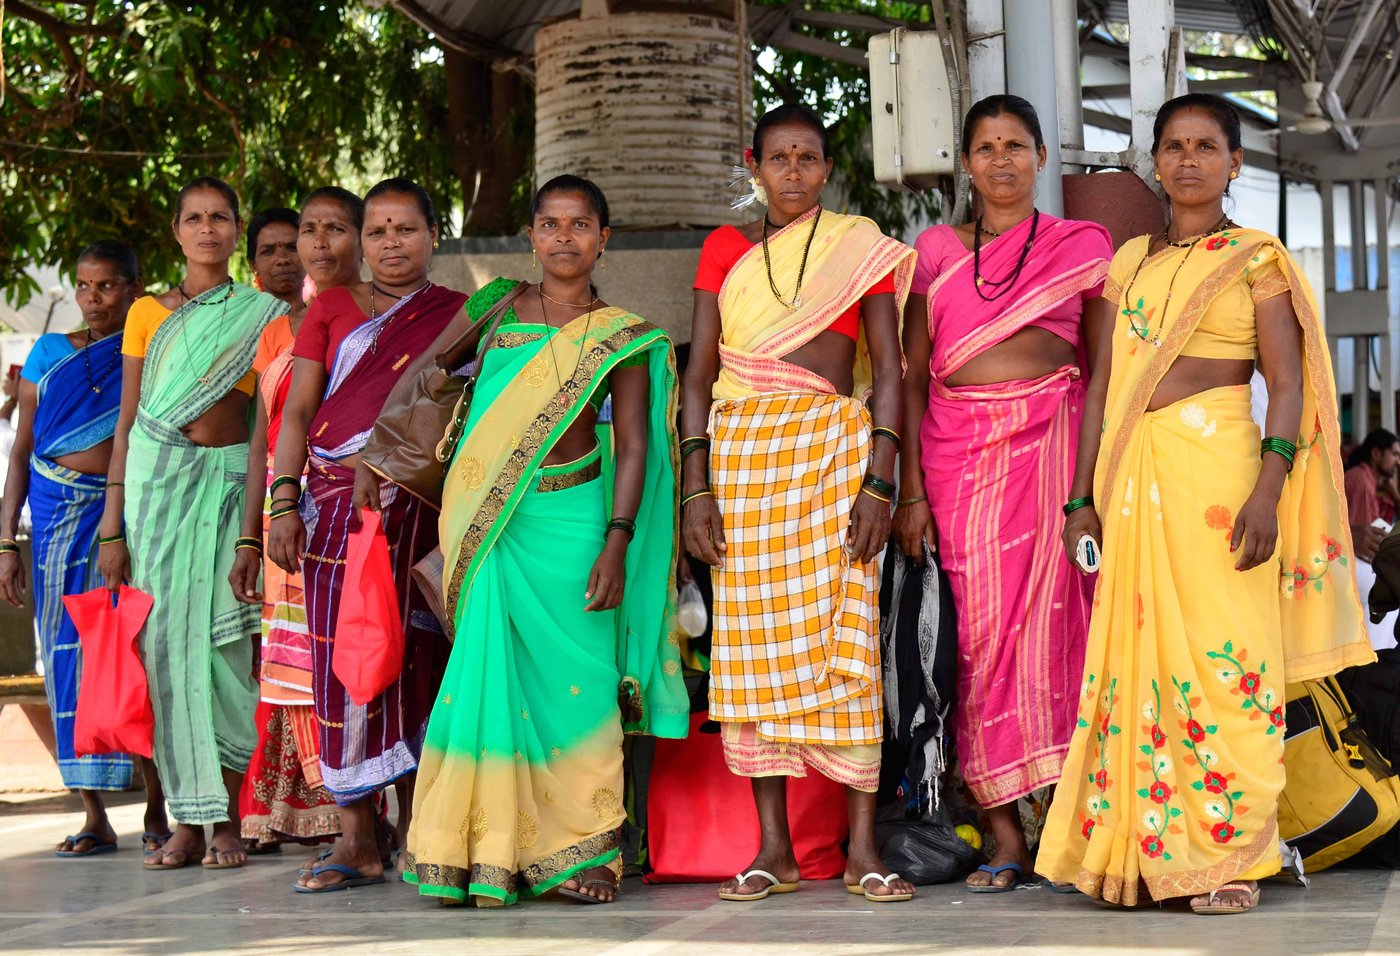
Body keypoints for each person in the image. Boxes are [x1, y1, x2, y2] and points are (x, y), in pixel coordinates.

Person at [1036, 93, 1374, 913]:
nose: (1189, 160)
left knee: (1231, 667)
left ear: (1234, 164)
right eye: (1174, 146)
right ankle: (1144, 857)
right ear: (1154, 161)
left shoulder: (1257, 258)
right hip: (1132, 481)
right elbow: (1105, 388)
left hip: (1222, 482)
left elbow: (1286, 386)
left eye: (1206, 146)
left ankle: (1232, 858)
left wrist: (1270, 484)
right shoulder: (1129, 265)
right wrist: (1081, 499)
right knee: (1136, 667)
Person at [403, 175, 688, 907]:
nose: (565, 237)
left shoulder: (624, 333)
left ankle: (582, 851)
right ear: (531, 235)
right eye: (551, 224)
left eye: (580, 224)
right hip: (491, 523)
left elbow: (633, 447)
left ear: (604, 238)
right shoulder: (494, 306)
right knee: (488, 679)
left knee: (582, 686)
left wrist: (619, 542)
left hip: (579, 524)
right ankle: (481, 847)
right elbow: (427, 378)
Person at [681, 103, 917, 903]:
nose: (792, 172)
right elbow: (697, 377)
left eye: (807, 159)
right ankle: (773, 850)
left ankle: (860, 850)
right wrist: (695, 486)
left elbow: (889, 370)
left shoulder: (862, 248)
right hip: (743, 463)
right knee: (750, 654)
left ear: (825, 169)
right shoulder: (723, 248)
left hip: (835, 461)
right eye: (778, 158)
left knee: (846, 641)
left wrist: (882, 481)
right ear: (756, 165)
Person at [895, 94, 1113, 891]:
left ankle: (1071, 826)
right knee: (978, 646)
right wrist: (910, 489)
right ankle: (1002, 833)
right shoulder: (936, 250)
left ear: (1043, 157)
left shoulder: (1080, 244)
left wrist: (1086, 488)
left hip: (1056, 454)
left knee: (1067, 633)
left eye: (1016, 145)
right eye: (985, 147)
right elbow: (914, 378)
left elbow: (1102, 375)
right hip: (958, 460)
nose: (1001, 161)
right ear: (966, 162)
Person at [267, 178, 466, 892]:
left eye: (404, 230)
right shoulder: (330, 310)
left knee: (416, 653)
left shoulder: (461, 314)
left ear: (434, 236)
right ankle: (356, 839)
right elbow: (297, 415)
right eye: (377, 231)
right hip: (327, 503)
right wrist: (282, 502)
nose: (390, 244)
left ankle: (419, 831)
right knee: (338, 659)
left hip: (415, 505)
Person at [98, 176, 287, 870]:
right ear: (176, 231)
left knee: (230, 657)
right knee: (165, 659)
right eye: (195, 218)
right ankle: (185, 821)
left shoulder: (266, 313)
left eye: (220, 218)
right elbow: (126, 423)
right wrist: (112, 527)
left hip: (230, 485)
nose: (208, 229)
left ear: (237, 231)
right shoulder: (146, 312)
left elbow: (266, 428)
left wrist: (250, 531)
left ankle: (230, 820)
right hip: (155, 493)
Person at [0, 241, 170, 857]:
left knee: (134, 652)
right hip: (51, 520)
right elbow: (19, 455)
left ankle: (157, 802)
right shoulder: (46, 354)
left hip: (123, 514)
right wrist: (4, 543)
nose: (93, 298)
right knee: (67, 657)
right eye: (83, 286)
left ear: (134, 287)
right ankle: (94, 812)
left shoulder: (152, 347)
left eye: (106, 286)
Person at [230, 201, 350, 851]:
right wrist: (252, 534)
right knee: (290, 665)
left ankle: (352, 809)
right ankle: (297, 805)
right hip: (284, 514)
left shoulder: (364, 317)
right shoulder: (277, 332)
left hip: (341, 506)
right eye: (307, 234)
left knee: (335, 658)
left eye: (330, 231)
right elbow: (262, 444)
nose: (311, 246)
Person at [1343, 428, 1400, 650]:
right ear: (1377, 454)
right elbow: (1362, 545)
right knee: (1385, 587)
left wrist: (1393, 492)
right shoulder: (1361, 481)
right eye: (1394, 454)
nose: (1398, 462)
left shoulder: (1368, 480)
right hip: (1346, 560)